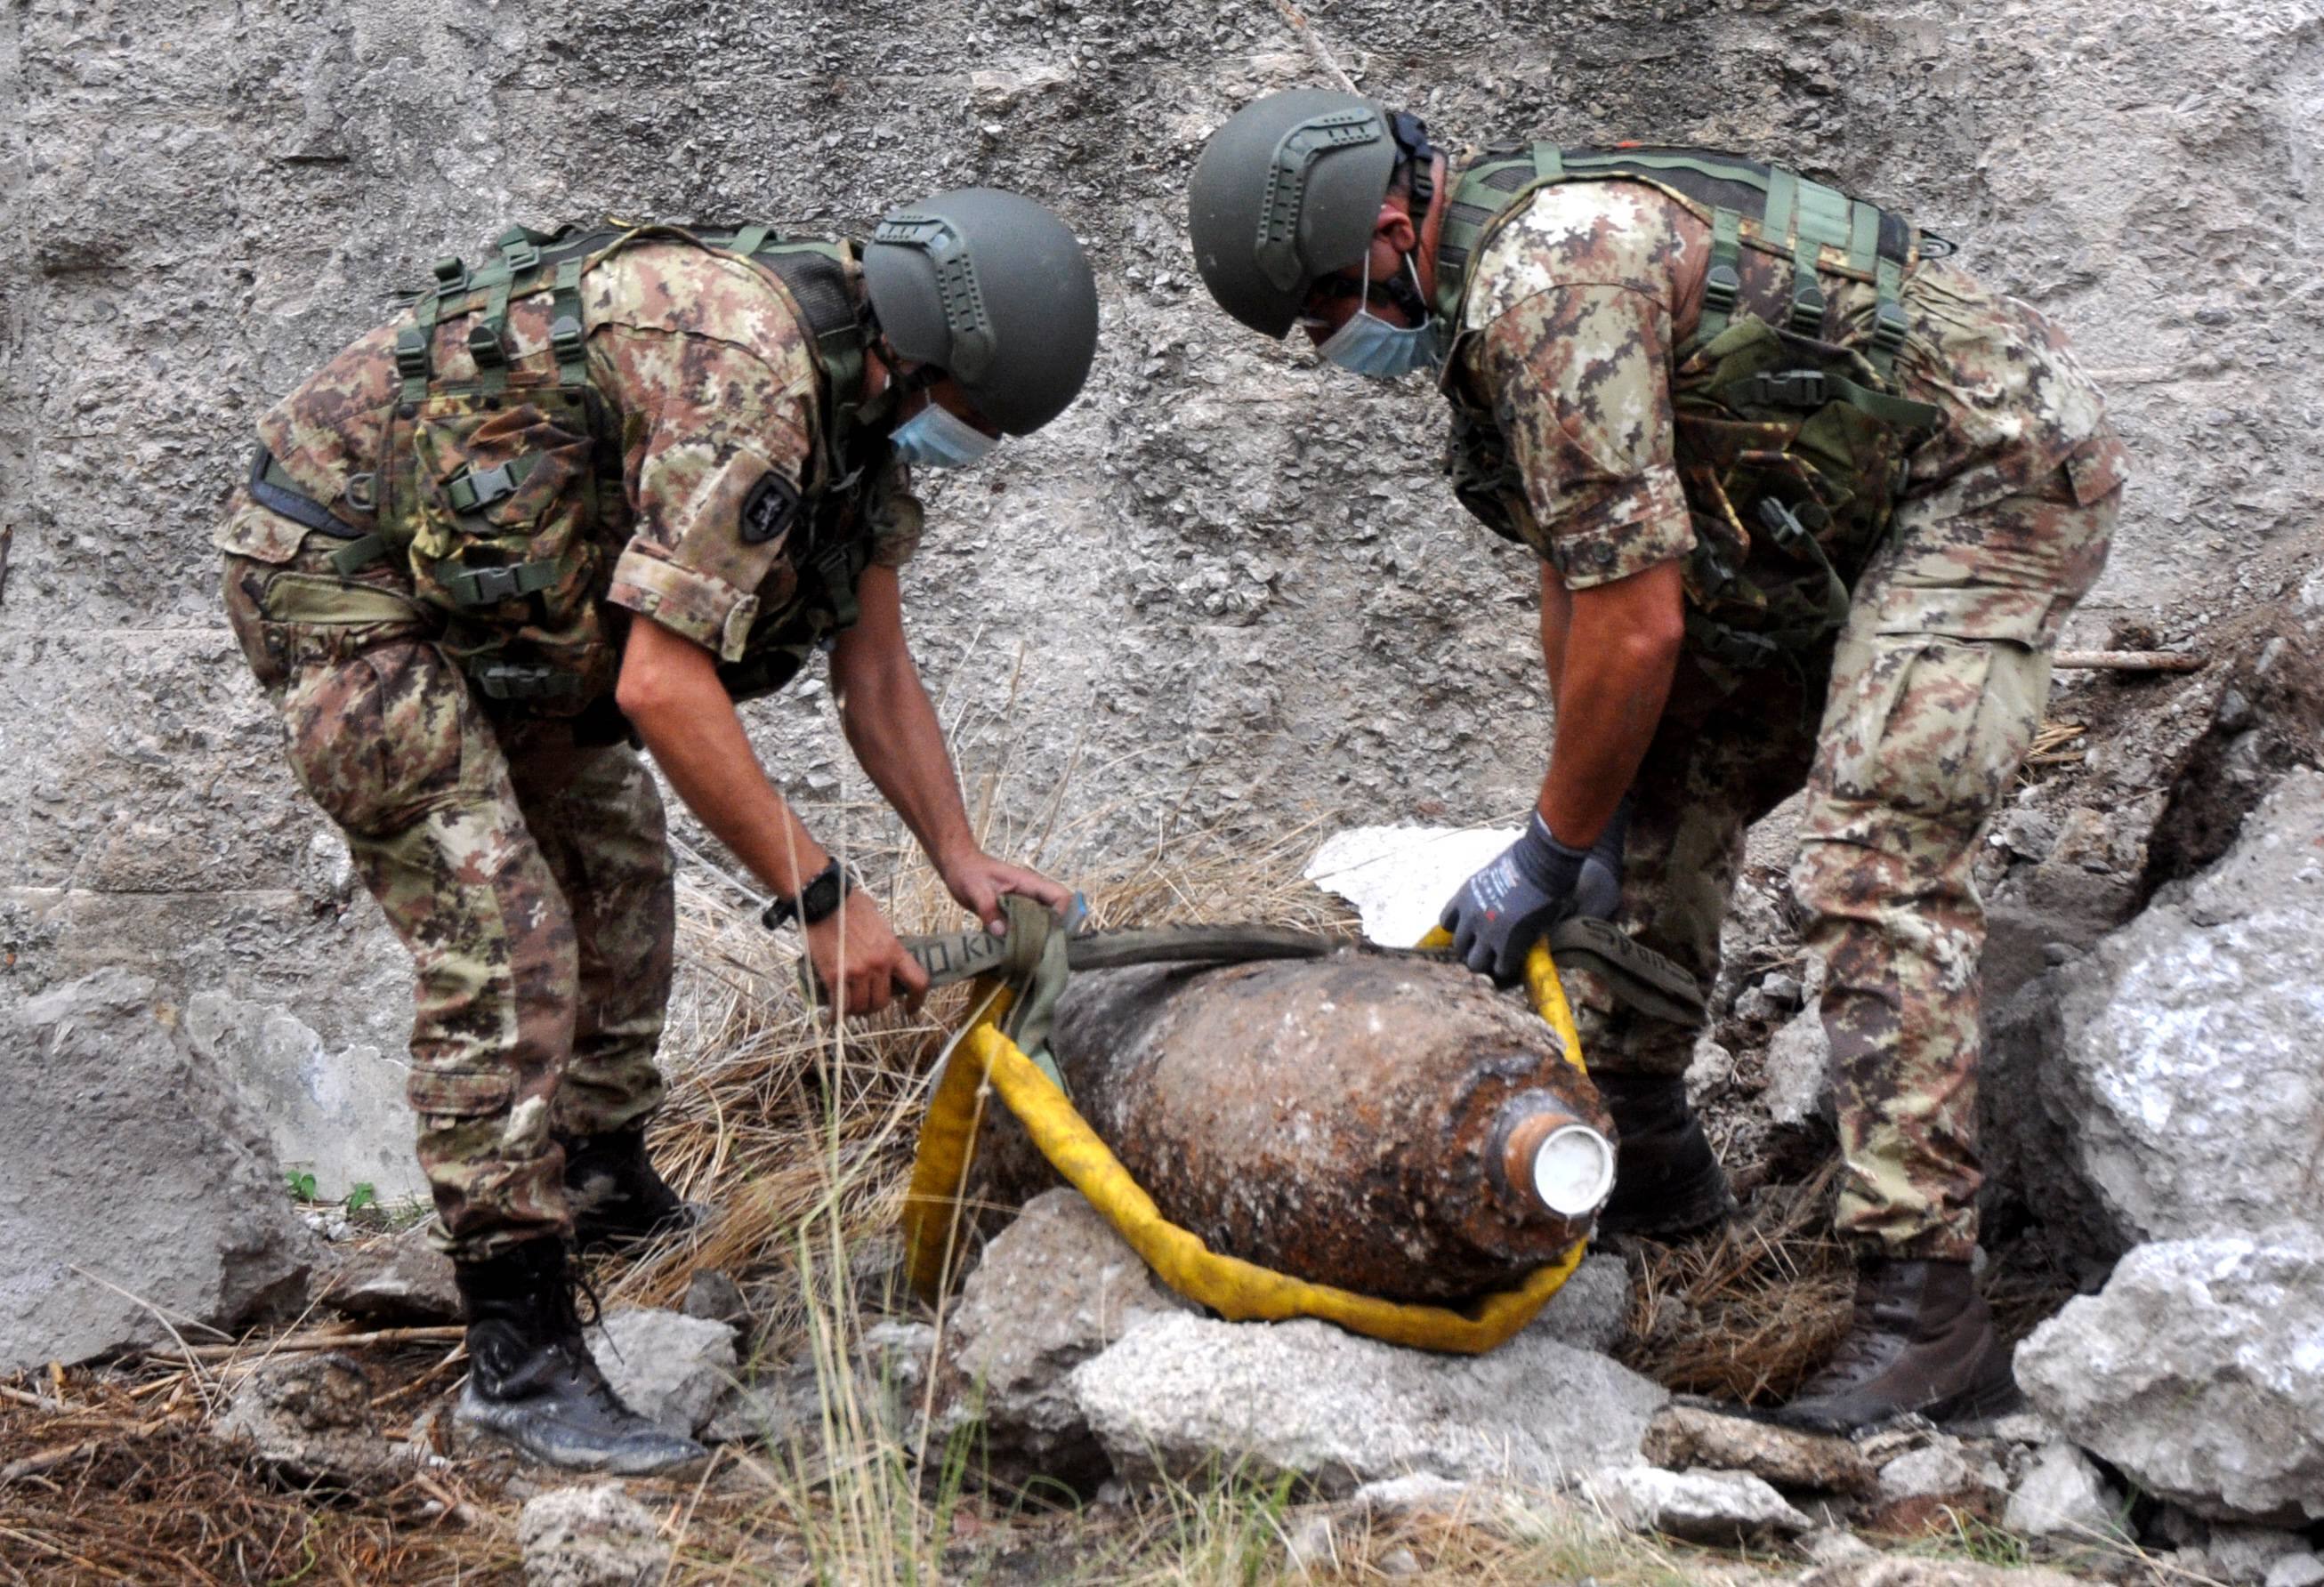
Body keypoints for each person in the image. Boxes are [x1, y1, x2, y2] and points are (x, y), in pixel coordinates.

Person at [1186, 92, 2125, 1430]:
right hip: (1836, 500)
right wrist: (1571, 816)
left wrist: (1546, 852)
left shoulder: (1545, 280)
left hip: (1990, 476)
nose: (1329, 346)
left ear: (1392, 231)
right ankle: (1643, 1140)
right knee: (1652, 766)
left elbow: (1638, 620)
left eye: (1326, 312)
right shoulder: (1487, 300)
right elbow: (1585, 591)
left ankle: (1931, 1310)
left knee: (1873, 848)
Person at [217, 190, 1099, 1470]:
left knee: (618, 862)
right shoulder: (756, 381)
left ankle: (595, 1177)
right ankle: (517, 1363)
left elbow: (879, 666)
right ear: (931, 357)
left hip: (486, 601)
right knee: (506, 939)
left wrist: (957, 857)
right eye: (974, 417)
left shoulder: (864, 404)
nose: (966, 444)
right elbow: (660, 686)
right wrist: (820, 897)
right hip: (340, 576)